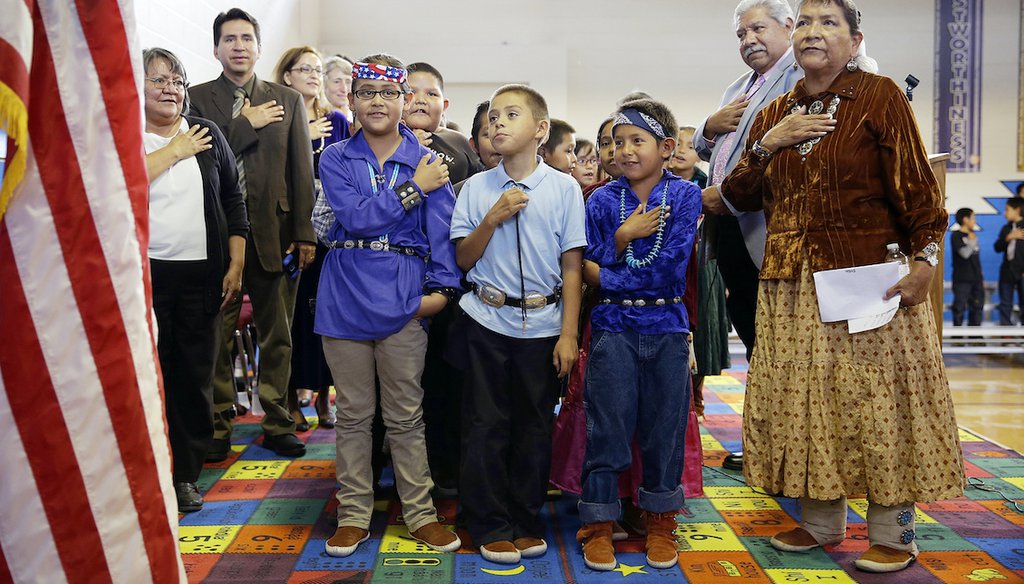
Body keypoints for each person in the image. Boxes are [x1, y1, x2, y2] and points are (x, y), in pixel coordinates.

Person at [721, 0, 964, 573]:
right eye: (804, 21)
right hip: (789, 284)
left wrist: (925, 263)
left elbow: (920, 193)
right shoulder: (776, 108)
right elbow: (738, 193)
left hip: (865, 276)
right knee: (806, 405)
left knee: (876, 403)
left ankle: (893, 531)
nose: (812, 31)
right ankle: (821, 522)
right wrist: (767, 141)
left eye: (828, 22)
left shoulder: (879, 96)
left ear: (855, 40)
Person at [316, 54, 462, 557]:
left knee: (405, 415)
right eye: (366, 93)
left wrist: (439, 295)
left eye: (388, 93)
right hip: (344, 296)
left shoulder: (428, 161)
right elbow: (355, 219)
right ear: (352, 100)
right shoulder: (335, 157)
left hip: (405, 299)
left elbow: (440, 234)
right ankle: (354, 515)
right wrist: (411, 190)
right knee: (354, 414)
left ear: (404, 101)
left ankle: (420, 514)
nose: (377, 102)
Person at [450, 84, 585, 564]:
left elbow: (572, 266)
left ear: (541, 130)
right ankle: (488, 522)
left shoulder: (565, 187)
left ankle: (525, 520)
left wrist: (569, 334)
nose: (497, 124)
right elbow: (463, 259)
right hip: (485, 319)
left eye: (511, 115)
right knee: (485, 424)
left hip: (545, 324)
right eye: (493, 117)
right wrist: (492, 218)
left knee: (533, 425)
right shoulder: (475, 188)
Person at [574, 99, 701, 571]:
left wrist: (603, 277)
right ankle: (600, 523)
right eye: (618, 142)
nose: (625, 151)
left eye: (637, 141)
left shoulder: (684, 196)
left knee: (663, 428)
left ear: (666, 147)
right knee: (606, 426)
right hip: (613, 328)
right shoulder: (604, 199)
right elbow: (588, 257)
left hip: (666, 326)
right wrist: (623, 237)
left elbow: (668, 269)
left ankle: (661, 520)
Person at [190, 8, 316, 459]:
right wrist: (245, 124)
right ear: (216, 47)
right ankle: (219, 423)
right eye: (229, 39)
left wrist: (305, 232)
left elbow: (302, 169)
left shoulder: (288, 98)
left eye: (246, 38)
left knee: (277, 335)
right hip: (216, 237)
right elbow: (201, 156)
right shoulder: (197, 99)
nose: (239, 46)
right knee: (216, 337)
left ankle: (279, 421)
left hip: (277, 233)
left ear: (259, 47)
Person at [693, 0, 802, 471]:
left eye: (757, 28)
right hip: (732, 230)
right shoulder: (740, 86)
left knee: (782, 344)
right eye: (741, 34)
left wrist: (731, 196)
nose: (748, 40)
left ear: (789, 26)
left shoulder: (803, 76)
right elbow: (705, 145)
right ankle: (768, 443)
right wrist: (706, 127)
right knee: (756, 337)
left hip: (771, 229)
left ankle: (790, 449)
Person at [142, 47, 248, 513]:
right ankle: (146, 472)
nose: (171, 89)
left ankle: (185, 475)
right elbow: (117, 185)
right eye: (159, 80)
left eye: (178, 81)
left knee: (193, 378)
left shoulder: (208, 134)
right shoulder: (121, 136)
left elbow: (233, 200)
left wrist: (236, 262)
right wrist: (173, 151)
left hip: (201, 278)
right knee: (149, 378)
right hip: (143, 279)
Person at [273, 46, 351, 430]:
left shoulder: (335, 120)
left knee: (323, 314)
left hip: (326, 231)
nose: (314, 75)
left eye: (318, 69)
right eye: (305, 68)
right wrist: (301, 133)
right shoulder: (277, 116)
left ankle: (324, 400)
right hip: (287, 228)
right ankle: (288, 399)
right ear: (286, 75)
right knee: (289, 319)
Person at [405, 62, 483, 185]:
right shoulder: (386, 142)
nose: (421, 100)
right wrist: (406, 148)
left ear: (444, 106)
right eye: (412, 92)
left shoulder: (458, 141)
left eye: (431, 94)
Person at [950, 208, 984, 327]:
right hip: (962, 279)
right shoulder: (956, 236)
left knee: (977, 307)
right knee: (960, 307)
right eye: (973, 218)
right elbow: (965, 254)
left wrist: (981, 276)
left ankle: (975, 338)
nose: (975, 221)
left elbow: (976, 259)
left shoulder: (972, 235)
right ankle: (957, 338)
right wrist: (972, 241)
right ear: (965, 219)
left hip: (976, 278)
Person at [994, 197, 1024, 325]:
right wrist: (1008, 237)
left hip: (1023, 272)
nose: (1005, 213)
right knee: (1005, 303)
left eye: (1007, 210)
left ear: (1017, 210)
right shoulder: (1006, 228)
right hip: (1007, 271)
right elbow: (997, 247)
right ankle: (1006, 334)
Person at [323, 55, 354, 121]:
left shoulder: (361, 118)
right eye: (337, 82)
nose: (344, 89)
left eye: (348, 82)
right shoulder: (316, 118)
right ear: (324, 85)